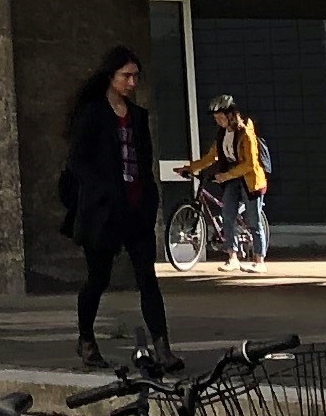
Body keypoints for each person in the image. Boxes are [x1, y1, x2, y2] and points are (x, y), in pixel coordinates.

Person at [61, 45, 181, 373]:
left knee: (148, 278)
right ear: (111, 77)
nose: (132, 82)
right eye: (126, 76)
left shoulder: (138, 116)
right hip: (102, 212)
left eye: (135, 77)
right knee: (98, 278)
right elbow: (77, 162)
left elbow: (143, 161)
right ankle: (86, 338)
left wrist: (148, 198)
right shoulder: (93, 113)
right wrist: (101, 189)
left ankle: (162, 346)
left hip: (135, 210)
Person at [190, 91, 269, 273]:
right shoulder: (222, 134)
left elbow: (250, 163)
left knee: (254, 220)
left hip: (249, 179)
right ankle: (232, 257)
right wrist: (191, 168)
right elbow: (212, 156)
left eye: (220, 117)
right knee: (227, 215)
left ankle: (259, 260)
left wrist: (226, 175)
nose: (218, 121)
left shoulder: (245, 133)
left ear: (231, 115)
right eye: (216, 118)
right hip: (232, 178)